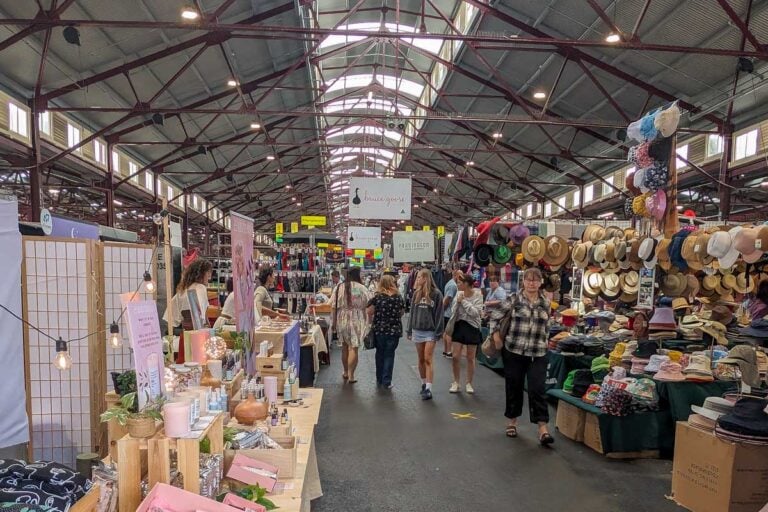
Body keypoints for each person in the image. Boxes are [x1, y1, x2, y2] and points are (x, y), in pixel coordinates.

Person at [490, 267, 554, 446]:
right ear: (523, 282)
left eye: (535, 280)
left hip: (538, 352)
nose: (532, 283)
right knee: (514, 386)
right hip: (514, 350)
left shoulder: (545, 303)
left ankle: (542, 428)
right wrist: (496, 336)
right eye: (528, 279)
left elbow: (547, 325)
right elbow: (494, 316)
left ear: (541, 282)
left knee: (537, 389)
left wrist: (546, 341)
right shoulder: (514, 299)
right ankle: (512, 421)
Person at [163, 259, 213, 362]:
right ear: (201, 273)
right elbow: (202, 316)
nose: (209, 276)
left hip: (184, 336)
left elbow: (171, 317)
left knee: (185, 366)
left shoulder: (182, 291)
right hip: (198, 337)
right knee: (199, 366)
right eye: (208, 272)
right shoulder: (200, 288)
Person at [406, 268, 444, 400]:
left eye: (419, 277)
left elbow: (439, 314)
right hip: (417, 330)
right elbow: (412, 313)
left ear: (426, 278)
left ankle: (429, 388)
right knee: (421, 359)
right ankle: (423, 384)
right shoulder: (416, 293)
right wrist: (409, 329)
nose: (417, 279)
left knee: (428, 358)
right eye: (417, 277)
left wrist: (439, 332)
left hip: (430, 331)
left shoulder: (437, 294)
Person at [330, 267, 371, 383]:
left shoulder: (339, 287)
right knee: (354, 347)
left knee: (344, 347)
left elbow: (333, 306)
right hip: (357, 319)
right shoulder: (362, 288)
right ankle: (351, 375)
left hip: (341, 319)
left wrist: (333, 323)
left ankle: (345, 372)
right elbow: (369, 303)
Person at [366, 275, 405, 389]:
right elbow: (402, 312)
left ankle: (379, 379)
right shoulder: (398, 297)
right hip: (394, 330)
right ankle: (386, 381)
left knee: (379, 354)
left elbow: (369, 311)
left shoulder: (377, 297)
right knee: (389, 355)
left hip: (379, 330)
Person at [448, 273, 484, 394]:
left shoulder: (478, 295)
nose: (457, 284)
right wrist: (457, 302)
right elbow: (453, 311)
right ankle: (456, 382)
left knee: (470, 357)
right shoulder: (458, 294)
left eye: (460, 282)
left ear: (467, 284)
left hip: (472, 327)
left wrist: (463, 302)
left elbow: (475, 313)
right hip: (459, 326)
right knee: (455, 356)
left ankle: (469, 382)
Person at [442, 269, 461, 358]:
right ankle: (449, 351)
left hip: (447, 312)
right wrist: (443, 309)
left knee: (446, 332)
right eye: (460, 276)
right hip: (449, 313)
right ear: (456, 275)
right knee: (449, 333)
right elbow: (448, 298)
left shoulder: (450, 283)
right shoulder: (453, 285)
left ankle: (446, 351)